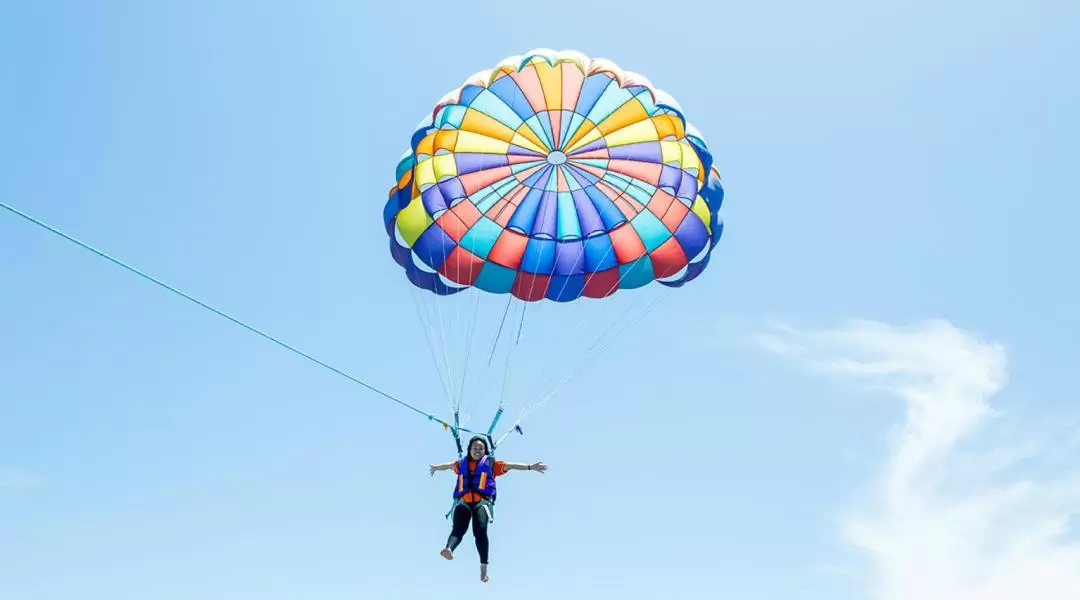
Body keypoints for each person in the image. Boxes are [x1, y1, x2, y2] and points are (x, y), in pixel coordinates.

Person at [429, 435, 547, 582]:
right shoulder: (461, 464)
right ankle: (449, 549)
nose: (477, 450)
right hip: (464, 502)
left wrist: (531, 467)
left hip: (481, 503)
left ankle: (483, 568)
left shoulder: (491, 465)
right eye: (474, 448)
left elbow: (511, 466)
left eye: (481, 448)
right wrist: (435, 468)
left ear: (485, 451)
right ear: (469, 449)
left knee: (480, 532)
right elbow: (446, 466)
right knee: (458, 529)